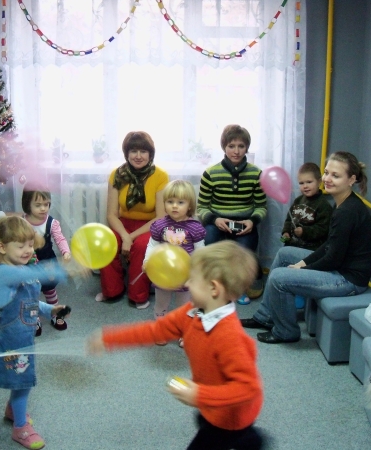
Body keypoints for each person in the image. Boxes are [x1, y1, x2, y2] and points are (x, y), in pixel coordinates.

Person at [87, 241, 265, 450]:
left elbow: (248, 388)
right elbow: (155, 331)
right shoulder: (191, 312)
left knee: (217, 435)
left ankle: (249, 439)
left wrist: (199, 395)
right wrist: (110, 339)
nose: (187, 284)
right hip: (211, 406)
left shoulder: (229, 337)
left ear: (214, 288)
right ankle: (251, 440)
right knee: (208, 421)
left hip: (230, 418)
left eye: (193, 280)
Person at [241, 151, 371, 344]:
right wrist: (303, 262)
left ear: (351, 180)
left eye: (335, 175)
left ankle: (286, 331)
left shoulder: (347, 212)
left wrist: (303, 268)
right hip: (340, 268)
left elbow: (333, 259)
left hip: (349, 280)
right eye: (326, 172)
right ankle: (265, 316)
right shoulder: (343, 203)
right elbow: (330, 245)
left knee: (279, 278)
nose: (327, 179)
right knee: (284, 253)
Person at [0, 216, 84, 450]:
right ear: (2, 247)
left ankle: (12, 410)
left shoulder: (20, 269)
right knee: (22, 382)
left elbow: (28, 302)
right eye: (21, 246)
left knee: (21, 381)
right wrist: (67, 269)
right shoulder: (3, 274)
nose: (28, 250)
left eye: (30, 244)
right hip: (11, 344)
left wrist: (49, 310)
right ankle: (20, 428)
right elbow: (33, 275)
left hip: (24, 338)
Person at [96, 131, 169, 309]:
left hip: (149, 225)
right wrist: (124, 235)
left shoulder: (160, 176)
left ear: (150, 154)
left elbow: (161, 217)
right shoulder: (116, 175)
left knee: (142, 246)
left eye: (143, 151)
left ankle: (138, 295)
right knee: (105, 242)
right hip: (123, 223)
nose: (138, 156)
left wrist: (131, 238)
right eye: (133, 151)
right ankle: (112, 291)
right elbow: (111, 214)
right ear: (126, 153)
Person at [197, 124, 267, 305]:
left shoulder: (256, 174)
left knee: (245, 251)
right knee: (211, 243)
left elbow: (261, 206)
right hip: (217, 220)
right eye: (231, 146)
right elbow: (201, 207)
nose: (236, 151)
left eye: (241, 146)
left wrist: (252, 221)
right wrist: (215, 219)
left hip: (245, 222)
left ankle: (240, 287)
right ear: (224, 147)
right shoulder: (210, 173)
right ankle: (215, 285)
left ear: (247, 148)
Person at [142, 179, 206, 347]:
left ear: (190, 205)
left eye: (180, 202)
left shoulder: (195, 227)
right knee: (161, 304)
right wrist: (147, 260)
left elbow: (200, 251)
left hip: (185, 275)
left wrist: (198, 271)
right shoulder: (159, 225)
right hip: (163, 274)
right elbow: (152, 245)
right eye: (170, 202)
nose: (175, 206)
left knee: (184, 307)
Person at [22, 184, 72, 335]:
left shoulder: (52, 223)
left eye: (46, 204)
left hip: (48, 263)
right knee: (31, 293)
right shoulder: (22, 223)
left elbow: (60, 239)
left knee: (50, 290)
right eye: (38, 205)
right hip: (29, 264)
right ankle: (34, 317)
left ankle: (54, 314)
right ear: (27, 204)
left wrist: (65, 251)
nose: (43, 208)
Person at [281, 162, 332, 251]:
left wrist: (304, 231)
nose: (305, 186)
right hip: (292, 246)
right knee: (282, 253)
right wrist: (286, 232)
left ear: (319, 182)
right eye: (301, 183)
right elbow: (289, 220)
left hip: (311, 250)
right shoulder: (297, 201)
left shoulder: (324, 205)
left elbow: (323, 229)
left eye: (309, 182)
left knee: (281, 253)